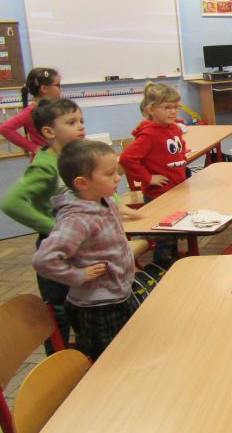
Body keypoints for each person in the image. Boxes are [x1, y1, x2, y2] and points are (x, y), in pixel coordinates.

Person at [33, 140, 135, 361]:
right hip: (97, 306)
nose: (118, 178)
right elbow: (44, 259)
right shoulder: (76, 219)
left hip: (117, 294)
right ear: (82, 183)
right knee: (106, 360)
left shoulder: (104, 200)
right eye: (109, 174)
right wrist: (77, 275)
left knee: (125, 351)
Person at [1, 99, 84, 350]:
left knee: (81, 305)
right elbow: (11, 202)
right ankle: (59, 360)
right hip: (55, 245)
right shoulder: (45, 165)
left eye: (81, 121)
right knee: (59, 312)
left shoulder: (75, 156)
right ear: (49, 132)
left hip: (79, 242)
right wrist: (53, 227)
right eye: (72, 122)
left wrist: (119, 206)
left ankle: (85, 357)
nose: (81, 126)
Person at [119, 83, 188, 268]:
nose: (173, 111)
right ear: (151, 109)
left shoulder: (173, 128)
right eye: (167, 107)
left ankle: (174, 262)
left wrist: (181, 157)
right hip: (159, 193)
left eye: (176, 107)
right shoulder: (149, 134)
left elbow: (178, 147)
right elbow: (127, 159)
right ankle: (161, 266)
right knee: (164, 235)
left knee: (174, 230)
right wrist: (148, 178)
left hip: (176, 189)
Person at [0, 67, 62, 157]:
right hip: (45, 159)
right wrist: (34, 148)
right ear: (44, 88)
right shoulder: (31, 112)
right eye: (58, 85)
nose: (61, 89)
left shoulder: (56, 107)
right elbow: (5, 128)